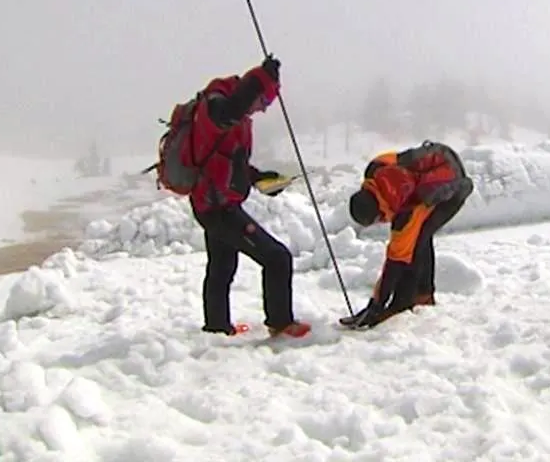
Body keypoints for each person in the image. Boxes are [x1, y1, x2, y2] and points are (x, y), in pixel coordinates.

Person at [185, 55, 311, 339]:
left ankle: (217, 327)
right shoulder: (218, 106)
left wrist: (259, 178)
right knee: (277, 257)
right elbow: (228, 111)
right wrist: (260, 81)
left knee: (222, 266)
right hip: (217, 207)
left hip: (212, 201)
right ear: (253, 94)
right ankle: (280, 322)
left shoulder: (237, 118)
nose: (263, 110)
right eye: (264, 102)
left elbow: (227, 161)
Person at [341, 141, 474, 328]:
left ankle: (404, 303)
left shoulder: (408, 210)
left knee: (416, 242)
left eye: (378, 219)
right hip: (439, 156)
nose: (381, 223)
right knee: (418, 236)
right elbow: (401, 160)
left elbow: (395, 262)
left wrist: (376, 306)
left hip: (452, 187)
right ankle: (423, 292)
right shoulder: (375, 168)